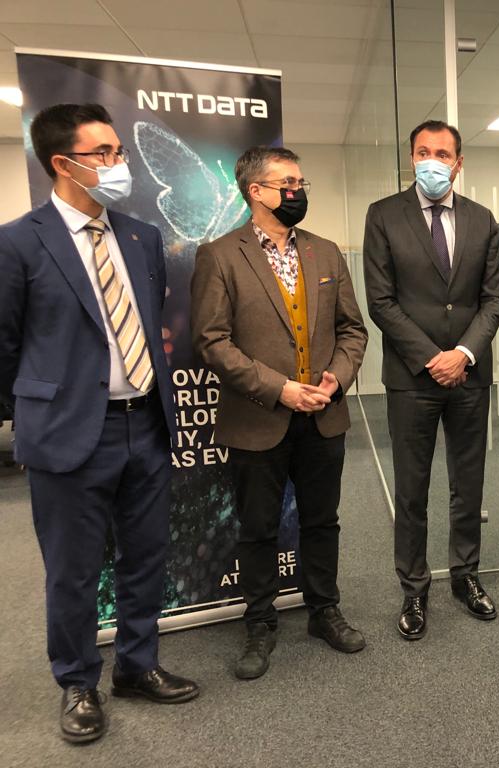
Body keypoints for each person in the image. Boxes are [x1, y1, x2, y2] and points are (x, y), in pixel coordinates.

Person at [0, 103, 198, 744]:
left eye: (119, 151)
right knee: (74, 569)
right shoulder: (17, 242)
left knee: (147, 556)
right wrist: (36, 414)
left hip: (146, 423)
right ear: (63, 163)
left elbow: (150, 321)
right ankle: (78, 682)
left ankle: (137, 666)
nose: (119, 164)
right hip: (68, 433)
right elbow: (4, 345)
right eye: (104, 153)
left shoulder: (140, 236)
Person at [191, 146, 368, 678]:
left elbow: (352, 329)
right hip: (257, 417)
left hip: (323, 417)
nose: (297, 191)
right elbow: (212, 342)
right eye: (287, 183)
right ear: (256, 191)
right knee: (258, 528)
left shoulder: (325, 252)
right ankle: (260, 624)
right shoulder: (220, 256)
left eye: (300, 182)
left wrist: (338, 378)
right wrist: (280, 389)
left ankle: (323, 610)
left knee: (322, 521)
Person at [363, 120, 499, 640]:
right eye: (423, 152)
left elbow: (494, 299)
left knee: (468, 484)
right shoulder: (383, 215)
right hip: (412, 377)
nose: (432, 161)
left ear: (458, 163)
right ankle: (414, 589)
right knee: (412, 488)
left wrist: (463, 354)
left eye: (442, 154)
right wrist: (431, 358)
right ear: (411, 158)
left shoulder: (483, 219)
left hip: (469, 374)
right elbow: (381, 302)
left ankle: (465, 576)